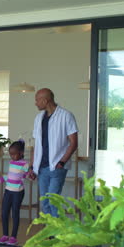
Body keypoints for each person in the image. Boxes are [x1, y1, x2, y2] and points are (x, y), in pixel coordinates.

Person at [29, 88, 78, 218]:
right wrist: (32, 167)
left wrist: (62, 162)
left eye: (37, 100)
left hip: (57, 167)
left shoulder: (66, 116)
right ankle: (51, 232)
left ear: (45, 100)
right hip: (41, 168)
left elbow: (73, 143)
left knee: (53, 201)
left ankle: (58, 234)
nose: (35, 103)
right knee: (45, 202)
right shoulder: (38, 118)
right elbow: (36, 145)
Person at [0, 139, 30, 245]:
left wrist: (30, 175)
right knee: (4, 213)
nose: (12, 156)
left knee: (15, 213)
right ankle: (5, 235)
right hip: (8, 191)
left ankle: (13, 237)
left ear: (21, 153)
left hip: (18, 192)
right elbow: (9, 176)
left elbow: (28, 176)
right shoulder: (12, 162)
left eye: (14, 154)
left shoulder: (25, 164)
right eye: (10, 154)